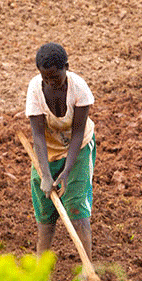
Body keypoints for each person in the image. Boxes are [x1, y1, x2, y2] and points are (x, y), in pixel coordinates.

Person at [25, 42, 96, 259]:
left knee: (76, 206)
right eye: (45, 77)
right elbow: (38, 135)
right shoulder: (35, 89)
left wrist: (66, 172)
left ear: (67, 67)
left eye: (55, 77)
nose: (50, 82)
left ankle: (87, 266)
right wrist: (46, 176)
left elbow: (77, 133)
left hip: (78, 148)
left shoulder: (79, 88)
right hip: (47, 149)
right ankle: (41, 265)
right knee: (44, 211)